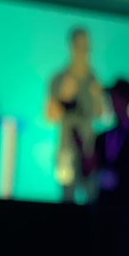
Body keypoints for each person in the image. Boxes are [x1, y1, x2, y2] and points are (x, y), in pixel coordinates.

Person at [84, 78, 129, 256]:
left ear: (127, 100)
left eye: (117, 98)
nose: (113, 103)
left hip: (126, 206)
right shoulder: (104, 136)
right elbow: (90, 168)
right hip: (104, 206)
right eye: (111, 98)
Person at [47, 28, 105, 203]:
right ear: (72, 47)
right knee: (67, 198)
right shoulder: (59, 79)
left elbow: (100, 114)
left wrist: (97, 96)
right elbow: (50, 116)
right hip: (67, 150)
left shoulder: (94, 80)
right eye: (80, 46)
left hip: (89, 149)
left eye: (87, 46)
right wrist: (64, 97)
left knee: (91, 197)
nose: (84, 51)